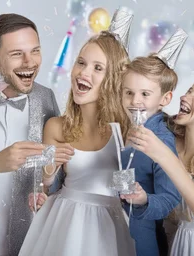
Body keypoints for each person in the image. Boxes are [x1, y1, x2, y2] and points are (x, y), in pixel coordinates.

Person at [19, 30, 136, 256]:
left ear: (114, 79)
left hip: (110, 226)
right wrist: (48, 169)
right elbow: (44, 184)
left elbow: (132, 186)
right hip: (64, 220)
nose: (84, 72)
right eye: (81, 63)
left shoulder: (125, 129)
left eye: (98, 68)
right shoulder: (56, 127)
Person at [0, 13, 60, 256]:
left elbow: (53, 172)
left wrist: (46, 191)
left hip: (28, 245)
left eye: (35, 51)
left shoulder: (46, 99)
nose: (30, 62)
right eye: (17, 53)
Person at [128, 73, 194, 256]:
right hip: (171, 242)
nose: (185, 97)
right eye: (189, 91)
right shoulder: (168, 140)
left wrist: (166, 158)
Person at [119, 54, 182, 256]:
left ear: (165, 99)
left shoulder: (162, 140)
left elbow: (170, 197)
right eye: (128, 92)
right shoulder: (118, 127)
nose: (135, 100)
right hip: (109, 227)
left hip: (141, 238)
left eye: (145, 94)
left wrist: (144, 199)